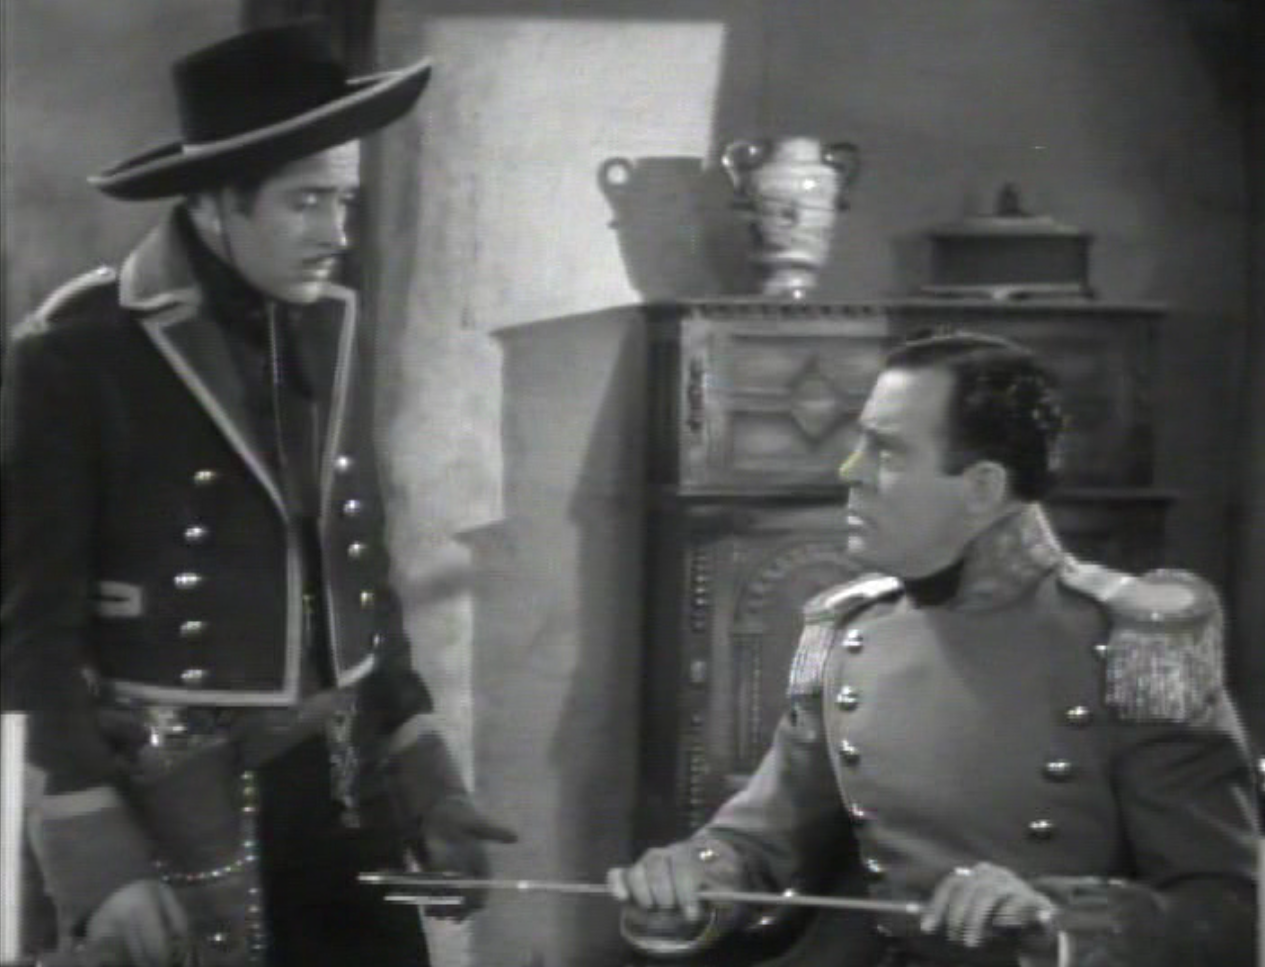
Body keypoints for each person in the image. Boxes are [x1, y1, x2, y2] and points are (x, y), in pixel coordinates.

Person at [1, 20, 516, 967]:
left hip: (338, 789)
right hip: (166, 801)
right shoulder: (80, 350)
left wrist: (423, 776)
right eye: (305, 202)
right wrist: (97, 859)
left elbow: (359, 575)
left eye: (345, 201)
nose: (335, 234)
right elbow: (31, 633)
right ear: (213, 205)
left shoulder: (328, 323)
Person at [609, 331, 1260, 967]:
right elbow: (763, 837)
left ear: (981, 487)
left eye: (886, 451)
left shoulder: (1133, 640)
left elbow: (1233, 911)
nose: (850, 471)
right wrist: (691, 880)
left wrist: (1060, 923)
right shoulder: (851, 631)